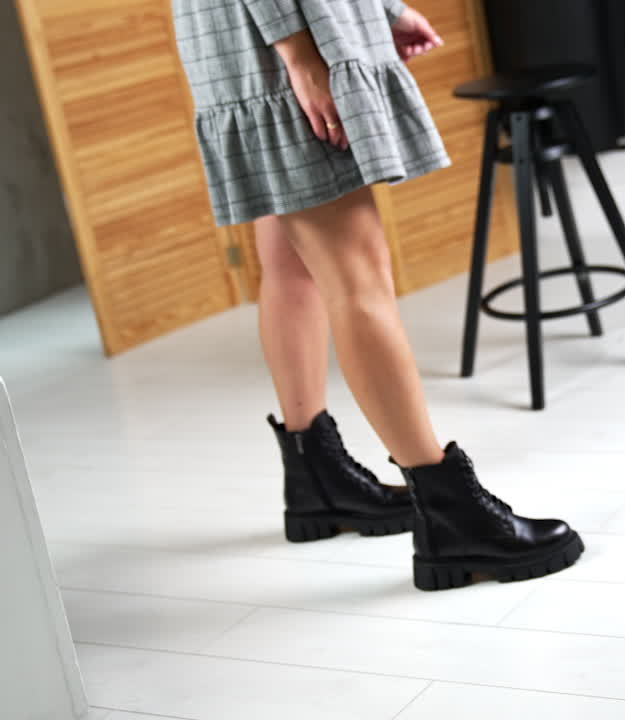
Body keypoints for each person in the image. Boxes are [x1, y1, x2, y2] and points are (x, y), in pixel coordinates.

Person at [171, 0, 583, 591]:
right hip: (284, 40)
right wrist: (299, 54)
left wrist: (382, 9)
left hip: (245, 41)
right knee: (356, 275)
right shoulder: (295, 53)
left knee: (293, 265)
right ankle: (452, 517)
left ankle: (318, 481)